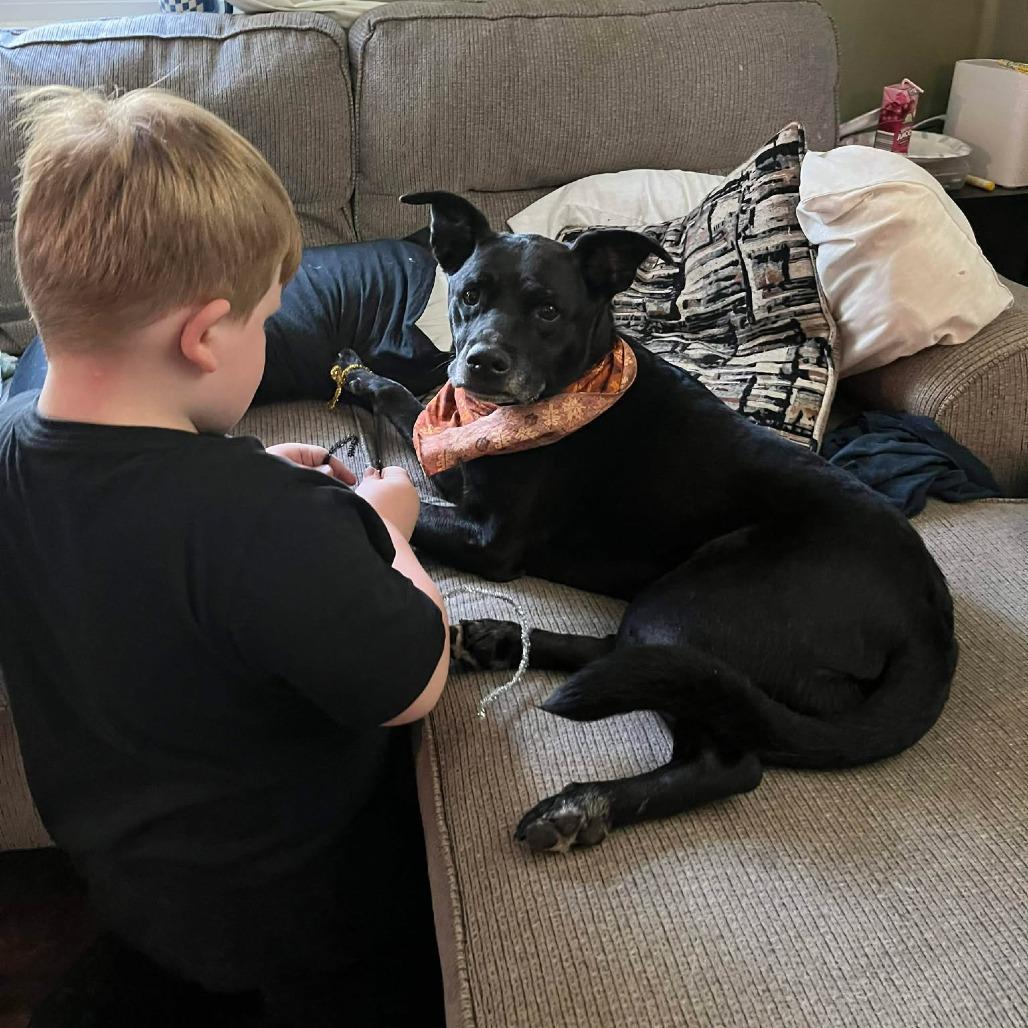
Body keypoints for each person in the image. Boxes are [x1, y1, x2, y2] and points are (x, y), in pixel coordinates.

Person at [0, 85, 450, 1027]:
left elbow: (125, 514)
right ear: (206, 336)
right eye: (263, 323)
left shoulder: (12, 447)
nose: (263, 343)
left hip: (126, 882)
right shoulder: (268, 523)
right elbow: (415, 678)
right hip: (309, 924)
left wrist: (234, 465)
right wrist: (388, 528)